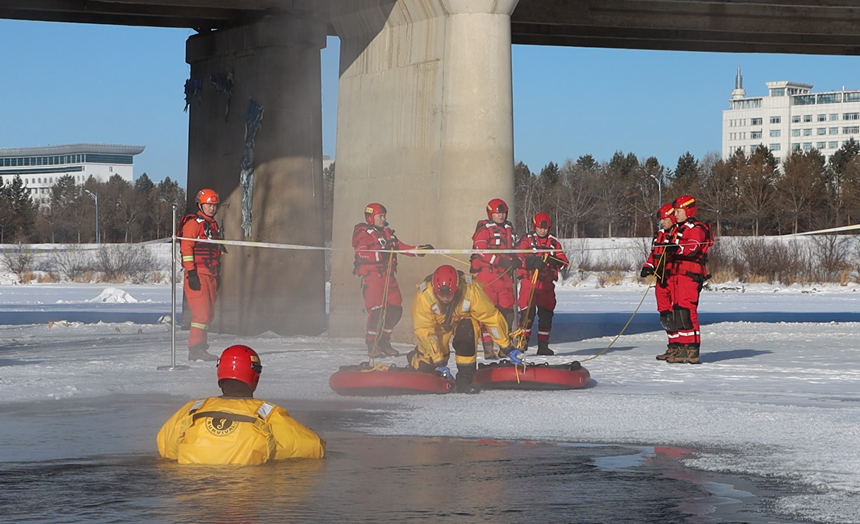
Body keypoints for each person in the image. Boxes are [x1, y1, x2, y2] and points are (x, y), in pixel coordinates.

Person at [157, 344, 326, 464]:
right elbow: (314, 447)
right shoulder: (268, 414)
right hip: (244, 489)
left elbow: (166, 448)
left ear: (220, 374)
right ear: (255, 376)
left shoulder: (193, 408)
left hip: (191, 490)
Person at [408, 265, 522, 393]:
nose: (445, 299)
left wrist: (506, 346)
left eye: (449, 295)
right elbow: (423, 330)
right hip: (437, 330)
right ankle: (415, 358)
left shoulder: (471, 290)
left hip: (462, 322)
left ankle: (465, 378)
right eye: (441, 295)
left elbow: (491, 318)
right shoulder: (424, 297)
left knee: (467, 331)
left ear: (458, 288)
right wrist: (438, 362)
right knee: (428, 365)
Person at [352, 203, 432, 358]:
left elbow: (400, 246)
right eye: (380, 216)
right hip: (373, 277)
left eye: (384, 216)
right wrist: (378, 255)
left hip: (389, 277)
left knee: (396, 310)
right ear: (370, 217)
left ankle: (384, 340)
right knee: (377, 311)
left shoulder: (387, 233)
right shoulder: (363, 233)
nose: (383, 219)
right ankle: (372, 344)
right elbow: (361, 252)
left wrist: (418, 250)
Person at [665, 195, 712, 365]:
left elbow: (692, 247)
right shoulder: (679, 228)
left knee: (687, 311)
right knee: (677, 311)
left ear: (687, 210)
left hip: (689, 276)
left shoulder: (696, 228)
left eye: (678, 211)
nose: (675, 214)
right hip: (676, 276)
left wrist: (675, 248)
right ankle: (683, 348)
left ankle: (693, 349)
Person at [514, 212, 570, 355]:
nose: (542, 231)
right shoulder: (527, 240)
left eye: (545, 228)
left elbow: (564, 261)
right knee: (527, 315)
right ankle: (523, 342)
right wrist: (529, 261)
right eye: (539, 228)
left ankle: (543, 345)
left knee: (546, 316)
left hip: (546, 286)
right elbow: (517, 256)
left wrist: (554, 261)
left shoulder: (553, 243)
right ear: (535, 227)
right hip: (530, 283)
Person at [180, 188, 224, 362]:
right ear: (200, 205)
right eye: (208, 205)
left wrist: (217, 273)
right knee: (201, 315)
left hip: (211, 275)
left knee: (209, 315)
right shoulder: (194, 224)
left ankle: (201, 348)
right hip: (198, 274)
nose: (212, 208)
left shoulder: (212, 225)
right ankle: (195, 348)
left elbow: (216, 250)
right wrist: (191, 272)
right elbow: (186, 248)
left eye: (214, 205)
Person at [470, 198, 518, 359]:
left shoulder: (510, 229)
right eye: (498, 213)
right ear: (491, 213)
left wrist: (519, 260)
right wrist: (499, 260)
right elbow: (481, 250)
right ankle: (488, 348)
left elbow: (515, 249)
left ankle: (505, 347)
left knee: (508, 313)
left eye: (503, 213)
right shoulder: (484, 229)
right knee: (487, 313)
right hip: (488, 277)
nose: (501, 216)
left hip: (505, 278)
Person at [641, 202, 679, 360]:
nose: (662, 222)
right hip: (661, 279)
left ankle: (680, 346)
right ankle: (672, 345)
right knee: (664, 315)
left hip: (675, 278)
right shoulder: (659, 235)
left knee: (677, 314)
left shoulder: (679, 234)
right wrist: (648, 266)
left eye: (664, 219)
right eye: (661, 220)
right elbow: (653, 254)